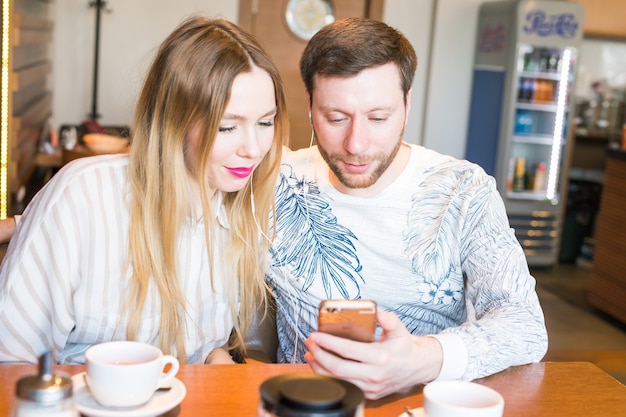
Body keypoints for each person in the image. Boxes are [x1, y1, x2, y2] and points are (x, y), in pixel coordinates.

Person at [266, 17, 548, 399]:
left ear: (406, 104)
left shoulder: (462, 190)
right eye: (336, 118)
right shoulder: (273, 180)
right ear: (310, 104)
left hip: (422, 402)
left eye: (378, 118)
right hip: (300, 402)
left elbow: (524, 325)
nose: (356, 144)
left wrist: (421, 358)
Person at [0, 16, 288, 364]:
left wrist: (218, 359)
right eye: (227, 127)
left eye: (265, 122)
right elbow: (11, 368)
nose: (254, 148)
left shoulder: (246, 212)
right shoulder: (84, 198)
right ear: (174, 120)